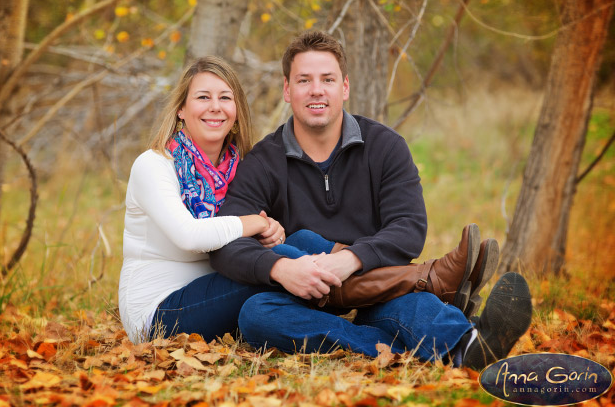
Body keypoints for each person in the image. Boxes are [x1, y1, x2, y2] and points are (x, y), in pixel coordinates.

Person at [209, 30, 533, 370]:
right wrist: (281, 268)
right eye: (304, 80)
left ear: (345, 87)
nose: (316, 89)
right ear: (287, 90)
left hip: (379, 292)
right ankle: (416, 307)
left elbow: (408, 227)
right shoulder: (264, 161)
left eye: (328, 79)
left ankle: (469, 345)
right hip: (303, 298)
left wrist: (351, 259)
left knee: (408, 304)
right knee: (257, 314)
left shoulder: (385, 146)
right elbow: (226, 243)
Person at [118, 55, 342, 343]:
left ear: (236, 112)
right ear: (181, 110)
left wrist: (271, 231)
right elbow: (190, 236)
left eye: (225, 97)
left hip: (220, 291)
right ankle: (354, 292)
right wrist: (254, 224)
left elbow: (255, 237)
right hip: (160, 314)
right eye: (203, 97)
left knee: (302, 241)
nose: (215, 107)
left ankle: (371, 282)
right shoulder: (154, 165)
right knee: (283, 263)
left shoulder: (240, 168)